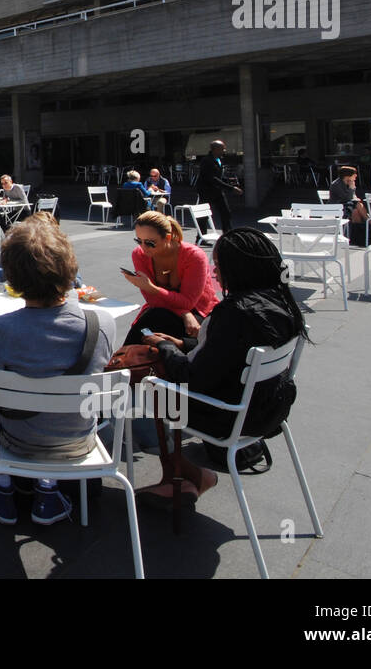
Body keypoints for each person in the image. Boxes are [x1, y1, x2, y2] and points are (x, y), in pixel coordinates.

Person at [127, 227, 307, 505]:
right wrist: (182, 343)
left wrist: (162, 348)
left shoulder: (234, 313)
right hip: (269, 410)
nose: (215, 273)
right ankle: (184, 475)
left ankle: (180, 476)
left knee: (155, 383)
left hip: (227, 417)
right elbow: (229, 352)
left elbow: (192, 376)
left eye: (219, 266)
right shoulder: (283, 304)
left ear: (239, 270)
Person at [0, 214, 113, 525]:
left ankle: (2, 487)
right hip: (78, 443)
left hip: (15, 443)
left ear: (10, 276)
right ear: (70, 269)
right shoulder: (102, 324)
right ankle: (48, 492)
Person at [118, 211, 220, 345]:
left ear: (167, 238)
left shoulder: (194, 256)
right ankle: (125, 359)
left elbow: (188, 302)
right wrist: (184, 313)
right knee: (149, 325)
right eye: (139, 241)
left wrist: (152, 288)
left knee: (160, 324)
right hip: (162, 307)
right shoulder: (139, 254)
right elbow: (152, 299)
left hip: (198, 308)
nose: (143, 247)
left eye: (150, 243)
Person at [327, 166, 371, 244]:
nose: (356, 176)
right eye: (354, 174)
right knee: (357, 205)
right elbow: (347, 198)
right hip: (337, 207)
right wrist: (352, 188)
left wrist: (353, 194)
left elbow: (353, 197)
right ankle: (370, 223)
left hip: (347, 206)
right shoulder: (336, 184)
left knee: (356, 211)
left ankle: (359, 238)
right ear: (347, 175)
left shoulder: (349, 182)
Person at [196, 140, 243, 235]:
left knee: (226, 212)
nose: (224, 151)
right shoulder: (207, 161)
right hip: (206, 191)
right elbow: (212, 179)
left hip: (217, 190)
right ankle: (201, 236)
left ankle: (227, 234)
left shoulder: (218, 159)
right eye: (222, 149)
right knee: (204, 215)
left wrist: (229, 184)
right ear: (215, 150)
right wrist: (231, 188)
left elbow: (218, 177)